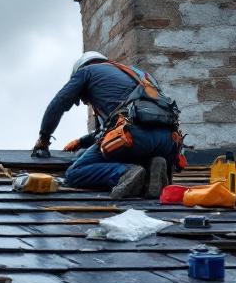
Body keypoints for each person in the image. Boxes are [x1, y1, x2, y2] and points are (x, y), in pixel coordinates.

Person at [32, 51, 181, 199]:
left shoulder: (86, 72)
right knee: (124, 152)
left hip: (132, 136)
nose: (86, 102)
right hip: (168, 141)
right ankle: (152, 168)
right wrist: (81, 142)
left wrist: (43, 141)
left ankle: (125, 174)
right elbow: (128, 120)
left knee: (74, 173)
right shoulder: (139, 74)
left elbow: (58, 103)